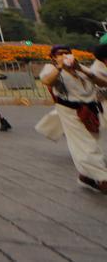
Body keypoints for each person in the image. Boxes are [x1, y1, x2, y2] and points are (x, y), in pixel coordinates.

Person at [39, 45, 107, 193]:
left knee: (100, 143)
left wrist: (81, 69)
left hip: (91, 110)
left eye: (67, 53)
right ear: (53, 57)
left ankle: (86, 177)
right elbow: (47, 81)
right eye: (60, 54)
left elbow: (103, 82)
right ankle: (103, 178)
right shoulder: (51, 68)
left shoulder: (80, 68)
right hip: (71, 112)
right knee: (85, 145)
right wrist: (60, 67)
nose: (64, 56)